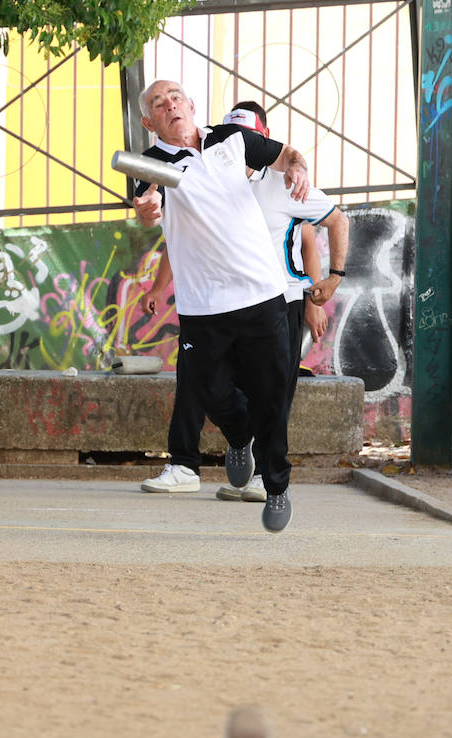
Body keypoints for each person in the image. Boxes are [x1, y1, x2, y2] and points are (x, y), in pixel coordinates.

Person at [140, 100, 350, 503]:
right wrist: (156, 286)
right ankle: (206, 454)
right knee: (202, 384)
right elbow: (173, 234)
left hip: (277, 298)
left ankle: (264, 477)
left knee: (270, 391)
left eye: (249, 136)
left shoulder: (279, 184)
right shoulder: (207, 172)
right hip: (210, 304)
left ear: (261, 140)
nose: (239, 141)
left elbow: (316, 232)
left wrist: (322, 289)